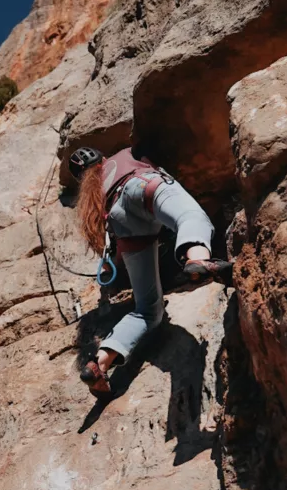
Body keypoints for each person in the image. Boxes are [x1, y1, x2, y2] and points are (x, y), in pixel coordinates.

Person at [69, 145, 233, 396]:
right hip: (140, 185)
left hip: (120, 219)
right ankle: (198, 258)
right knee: (189, 216)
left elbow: (119, 253)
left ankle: (99, 362)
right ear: (102, 157)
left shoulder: (93, 196)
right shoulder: (125, 154)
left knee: (147, 310)